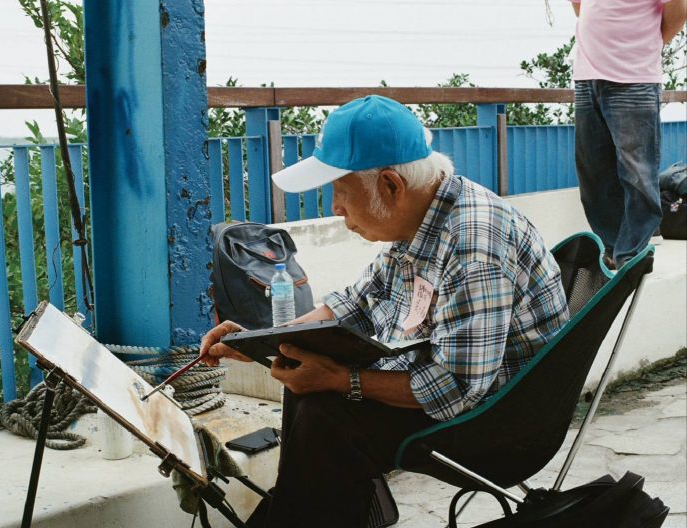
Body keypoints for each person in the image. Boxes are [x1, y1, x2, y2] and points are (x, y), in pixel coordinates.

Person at [200, 95, 569, 528]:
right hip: (466, 387)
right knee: (303, 378)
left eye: (340, 190)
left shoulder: (473, 244)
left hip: (504, 421)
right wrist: (255, 343)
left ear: (392, 186)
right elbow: (355, 303)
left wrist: (341, 379)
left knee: (326, 413)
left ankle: (300, 514)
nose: (335, 207)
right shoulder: (421, 217)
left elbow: (457, 387)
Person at [570, 0, 687, 269]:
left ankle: (630, 254)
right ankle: (612, 248)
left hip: (634, 80)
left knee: (637, 174)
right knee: (593, 173)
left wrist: (647, 46)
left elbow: (678, 12)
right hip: (587, 79)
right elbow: (580, 7)